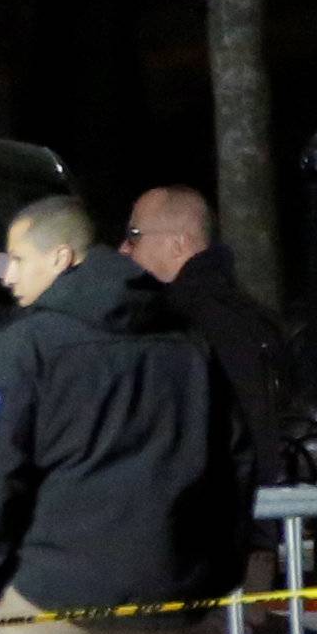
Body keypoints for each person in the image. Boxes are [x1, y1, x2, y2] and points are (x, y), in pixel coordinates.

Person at [0, 194, 255, 634]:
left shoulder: (30, 344)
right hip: (160, 595)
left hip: (55, 594)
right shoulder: (186, 343)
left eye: (18, 259)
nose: (6, 275)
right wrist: (214, 573)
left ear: (61, 258)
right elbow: (234, 461)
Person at [119, 184, 294, 508]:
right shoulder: (252, 316)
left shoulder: (181, 322)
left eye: (134, 234)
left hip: (212, 517)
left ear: (178, 244)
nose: (124, 249)